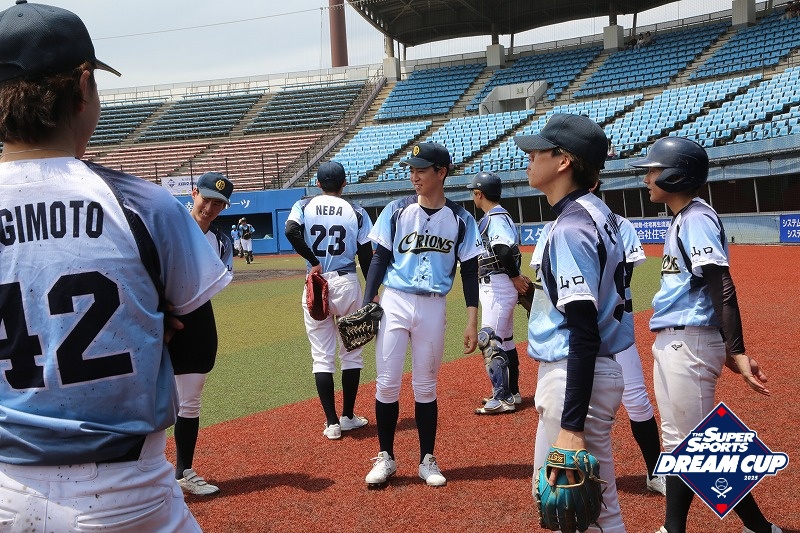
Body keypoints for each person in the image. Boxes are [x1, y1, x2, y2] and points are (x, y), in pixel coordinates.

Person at [0, 2, 231, 530]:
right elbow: (197, 349)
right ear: (84, 86)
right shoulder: (145, 205)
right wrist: (145, 327)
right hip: (128, 492)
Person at [631, 137, 781, 533]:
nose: (646, 179)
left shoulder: (696, 218)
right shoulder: (684, 217)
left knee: (700, 445)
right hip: (678, 339)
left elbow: (720, 284)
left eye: (653, 171)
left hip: (691, 340)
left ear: (677, 175)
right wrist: (729, 350)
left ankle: (757, 528)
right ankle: (681, 528)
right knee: (681, 443)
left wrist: (738, 349)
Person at [514, 113, 630, 533]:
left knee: (589, 513)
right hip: (588, 370)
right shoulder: (598, 214)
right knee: (560, 504)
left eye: (538, 151)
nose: (529, 158)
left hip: (574, 375)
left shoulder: (570, 226)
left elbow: (583, 330)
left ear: (564, 161)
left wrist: (572, 426)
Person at [361, 142, 483, 487]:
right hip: (395, 301)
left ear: (441, 173)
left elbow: (469, 271)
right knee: (387, 383)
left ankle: (427, 458)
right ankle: (386, 456)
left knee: (426, 386)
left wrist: (472, 320)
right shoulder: (397, 210)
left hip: (433, 304)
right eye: (412, 170)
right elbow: (380, 258)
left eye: (422, 170)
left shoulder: (461, 218)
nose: (414, 176)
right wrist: (368, 301)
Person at [284, 161, 374, 440]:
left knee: (322, 356)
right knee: (352, 353)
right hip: (347, 283)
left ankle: (332, 423)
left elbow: (290, 231)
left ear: (318, 184)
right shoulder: (357, 211)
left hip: (316, 282)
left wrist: (313, 260)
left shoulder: (303, 204)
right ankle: (348, 416)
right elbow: (366, 255)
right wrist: (372, 292)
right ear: (344, 183)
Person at [591, 181, 666, 496]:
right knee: (575, 403)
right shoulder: (558, 226)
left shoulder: (620, 225)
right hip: (575, 332)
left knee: (636, 398)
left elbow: (624, 279)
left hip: (616, 327)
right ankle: (580, 475)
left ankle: (655, 472)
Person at [169, 172, 235, 496]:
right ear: (194, 192)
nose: (209, 208)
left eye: (218, 204)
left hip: (197, 318)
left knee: (190, 400)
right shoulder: (170, 227)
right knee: (146, 398)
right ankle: (143, 475)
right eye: (206, 199)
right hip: (159, 318)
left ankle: (183, 471)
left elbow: (215, 283)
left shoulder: (221, 241)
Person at [466, 171, 529, 414]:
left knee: (489, 340)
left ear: (479, 193)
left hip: (498, 285)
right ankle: (513, 392)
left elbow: (503, 250)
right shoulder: (498, 216)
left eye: (473, 192)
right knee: (506, 341)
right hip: (499, 285)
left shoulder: (495, 218)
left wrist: (515, 277)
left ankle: (503, 398)